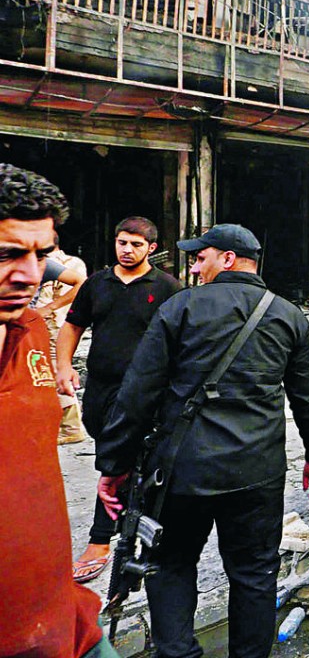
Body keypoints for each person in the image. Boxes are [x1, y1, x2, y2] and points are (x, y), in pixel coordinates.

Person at [96, 223, 309, 657]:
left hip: (182, 474)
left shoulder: (179, 308)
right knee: (255, 575)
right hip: (256, 475)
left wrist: (114, 465)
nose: (193, 266)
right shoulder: (288, 315)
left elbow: (137, 394)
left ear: (227, 259)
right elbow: (307, 398)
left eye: (199, 257)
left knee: (169, 568)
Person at [0, 163, 114, 657]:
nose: (28, 275)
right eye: (7, 254)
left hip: (70, 627)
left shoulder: (29, 329)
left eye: (40, 255)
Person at [56, 216, 182, 583]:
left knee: (118, 458)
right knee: (113, 453)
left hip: (143, 391)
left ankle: (100, 539)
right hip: (100, 386)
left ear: (152, 249)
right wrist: (63, 366)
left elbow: (181, 340)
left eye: (137, 245)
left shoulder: (167, 288)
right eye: (122, 243)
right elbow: (72, 326)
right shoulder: (97, 283)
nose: (128, 250)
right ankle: (129, 521)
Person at [35, 234, 88, 443]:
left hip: (54, 326)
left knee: (54, 373)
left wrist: (49, 309)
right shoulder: (72, 263)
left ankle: (70, 427)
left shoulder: (54, 265)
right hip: (56, 324)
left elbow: (78, 288)